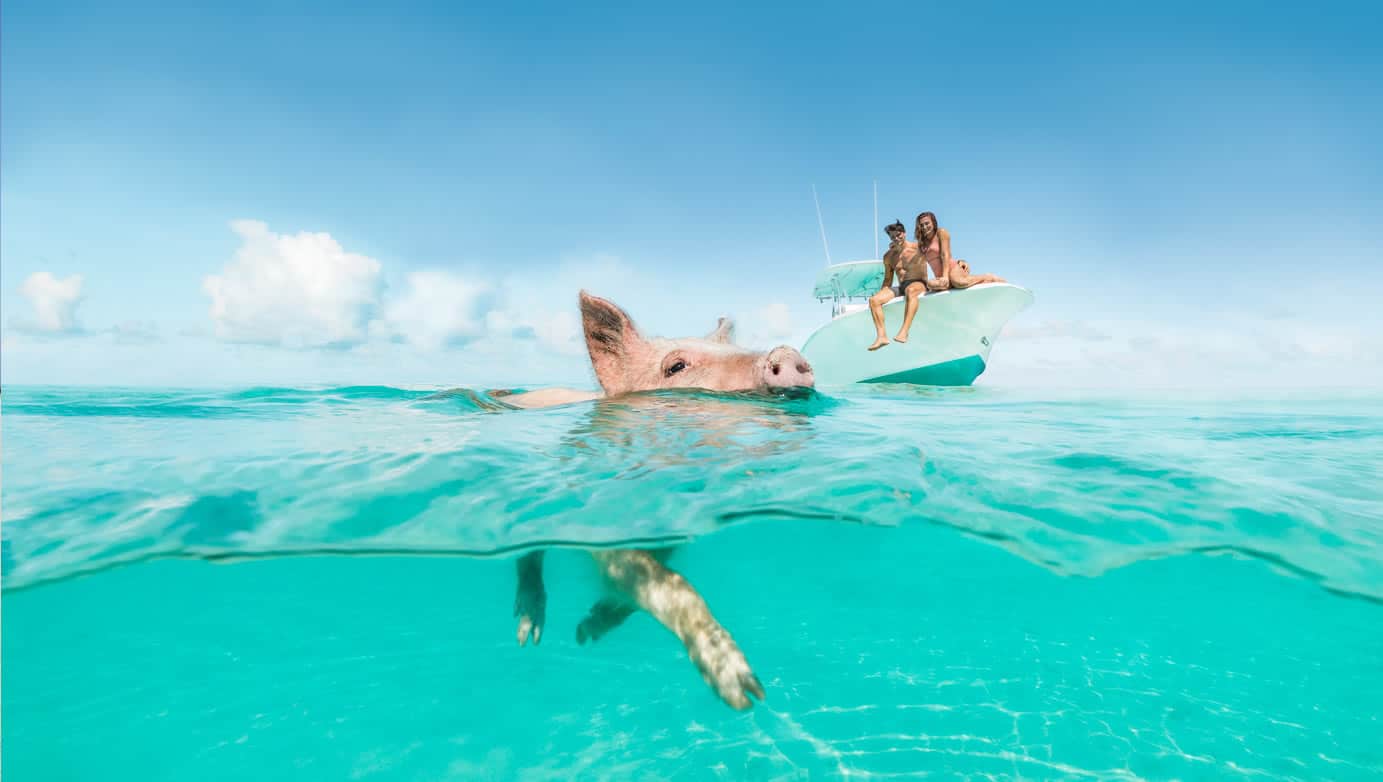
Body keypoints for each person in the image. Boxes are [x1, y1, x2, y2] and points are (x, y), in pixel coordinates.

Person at [867, 220, 927, 351]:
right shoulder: (888, 256)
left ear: (904, 233)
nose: (896, 238)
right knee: (873, 300)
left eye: (898, 234)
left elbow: (938, 255)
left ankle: (904, 332)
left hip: (919, 283)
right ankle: (882, 337)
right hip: (901, 286)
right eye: (892, 236)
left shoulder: (918, 247)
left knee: (911, 290)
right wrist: (882, 294)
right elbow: (888, 279)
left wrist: (960, 263)